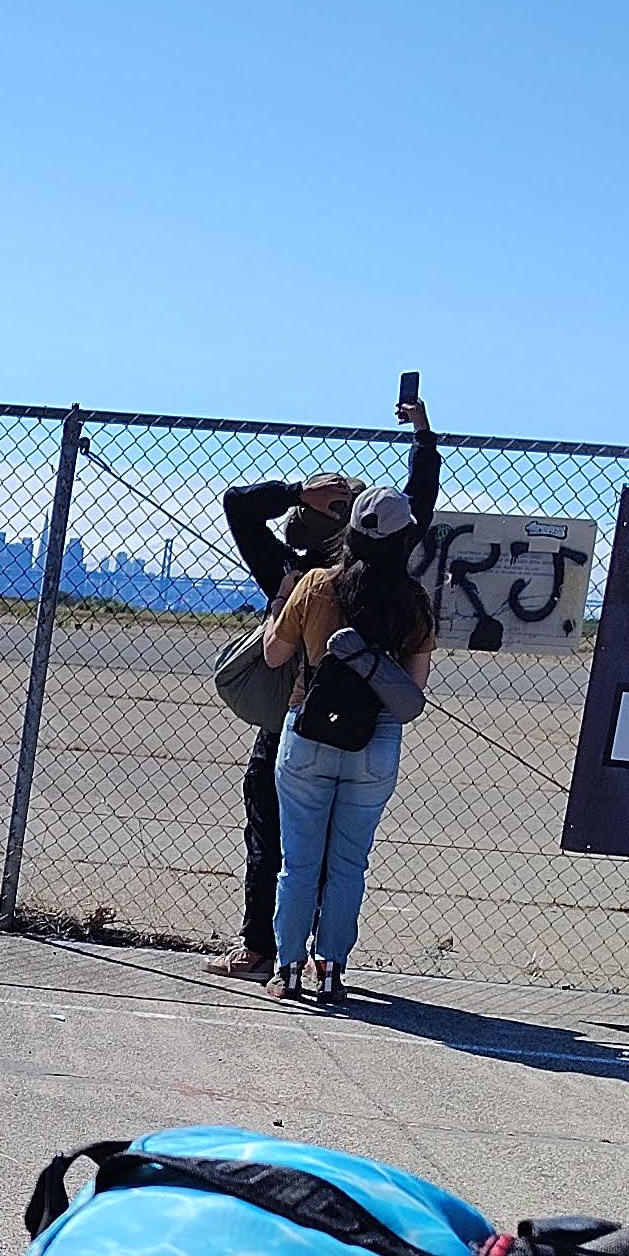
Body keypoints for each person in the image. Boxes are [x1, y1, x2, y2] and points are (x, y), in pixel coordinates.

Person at [211, 419, 437, 979]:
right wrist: (425, 437)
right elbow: (419, 505)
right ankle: (324, 959)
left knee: (280, 844)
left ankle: (268, 951)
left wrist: (294, 492)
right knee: (343, 858)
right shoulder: (402, 589)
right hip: (372, 732)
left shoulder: (298, 578)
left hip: (297, 724)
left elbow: (238, 506)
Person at [257, 485, 436, 1003]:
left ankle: (287, 968)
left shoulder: (315, 585)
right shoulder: (414, 602)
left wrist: (278, 608)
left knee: (299, 862)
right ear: (406, 539)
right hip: (375, 741)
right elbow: (413, 689)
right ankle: (332, 968)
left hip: (308, 730)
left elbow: (273, 656)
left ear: (350, 533)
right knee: (349, 863)